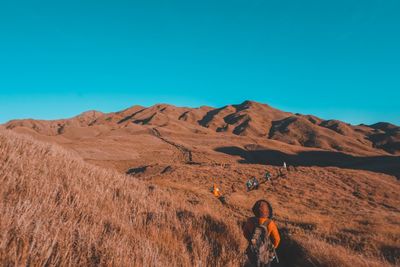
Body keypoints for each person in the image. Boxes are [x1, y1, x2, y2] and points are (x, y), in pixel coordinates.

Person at [243, 200, 280, 267]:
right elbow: (276, 239)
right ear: (267, 211)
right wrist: (272, 247)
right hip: (265, 253)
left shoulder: (250, 221)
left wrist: (251, 240)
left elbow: (245, 233)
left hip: (253, 251)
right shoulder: (270, 223)